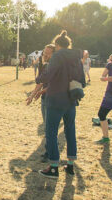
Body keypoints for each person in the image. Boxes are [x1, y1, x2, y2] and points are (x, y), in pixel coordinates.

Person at [36, 30, 84, 178]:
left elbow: (48, 75)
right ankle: (70, 165)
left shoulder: (57, 56)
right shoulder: (76, 57)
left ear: (57, 45)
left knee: (51, 132)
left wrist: (39, 77)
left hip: (56, 97)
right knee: (70, 131)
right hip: (71, 98)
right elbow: (82, 79)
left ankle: (54, 167)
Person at [26, 44, 55, 161]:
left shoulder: (54, 65)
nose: (45, 54)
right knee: (47, 126)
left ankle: (51, 153)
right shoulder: (44, 64)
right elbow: (41, 82)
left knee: (50, 127)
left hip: (53, 99)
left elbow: (55, 83)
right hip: (44, 98)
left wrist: (41, 92)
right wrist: (32, 95)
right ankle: (49, 150)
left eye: (48, 53)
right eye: (44, 52)